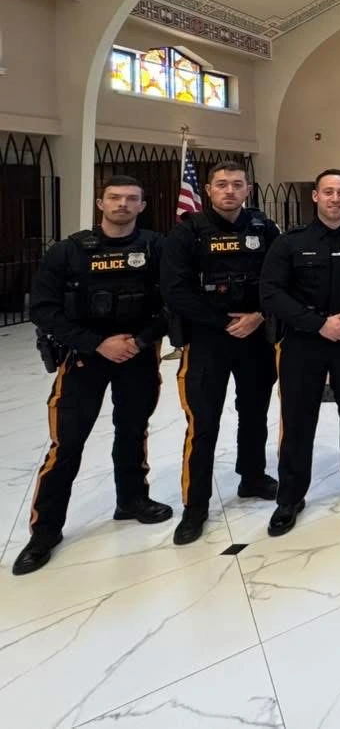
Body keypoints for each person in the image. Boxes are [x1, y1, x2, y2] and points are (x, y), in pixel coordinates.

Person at [14, 176, 171, 575]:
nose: (122, 205)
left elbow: (173, 301)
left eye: (131, 199)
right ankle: (45, 530)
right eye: (115, 198)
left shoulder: (156, 248)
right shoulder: (69, 251)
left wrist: (140, 340)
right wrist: (97, 343)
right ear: (100, 203)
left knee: (133, 430)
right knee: (66, 443)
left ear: (142, 206)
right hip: (85, 357)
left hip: (137, 353)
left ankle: (132, 499)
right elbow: (44, 309)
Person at [259, 169, 340, 536]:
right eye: (328, 192)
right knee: (298, 418)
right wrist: (317, 324)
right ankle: (291, 496)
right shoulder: (290, 243)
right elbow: (271, 292)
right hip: (303, 341)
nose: (335, 199)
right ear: (315, 196)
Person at [161, 160, 280, 546]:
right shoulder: (187, 233)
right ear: (209, 190)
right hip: (208, 341)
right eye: (222, 184)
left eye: (237, 185)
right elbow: (175, 290)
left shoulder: (264, 229)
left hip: (256, 335)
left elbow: (281, 278)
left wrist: (258, 316)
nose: (229, 191)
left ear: (248, 190)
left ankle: (252, 475)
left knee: (254, 411)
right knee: (203, 423)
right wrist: (223, 322)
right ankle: (195, 506)